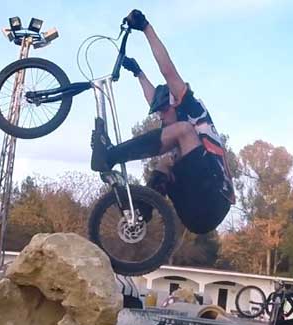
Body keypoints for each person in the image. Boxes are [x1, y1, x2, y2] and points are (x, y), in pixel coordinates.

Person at [90, 9, 234, 235]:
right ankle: (139, 216)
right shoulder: (173, 121)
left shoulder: (191, 109)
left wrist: (146, 28)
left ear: (176, 104)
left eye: (164, 112)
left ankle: (111, 155)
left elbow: (168, 71)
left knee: (183, 131)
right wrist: (138, 73)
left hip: (214, 198)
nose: (160, 118)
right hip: (193, 215)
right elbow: (153, 99)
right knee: (165, 164)